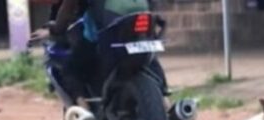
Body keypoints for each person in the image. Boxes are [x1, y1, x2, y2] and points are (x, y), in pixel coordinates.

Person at [31, 0, 168, 107]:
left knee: (70, 69)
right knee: (150, 59)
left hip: (107, 37)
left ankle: (85, 111)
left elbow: (68, 9)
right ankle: (166, 103)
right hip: (141, 30)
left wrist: (55, 30)